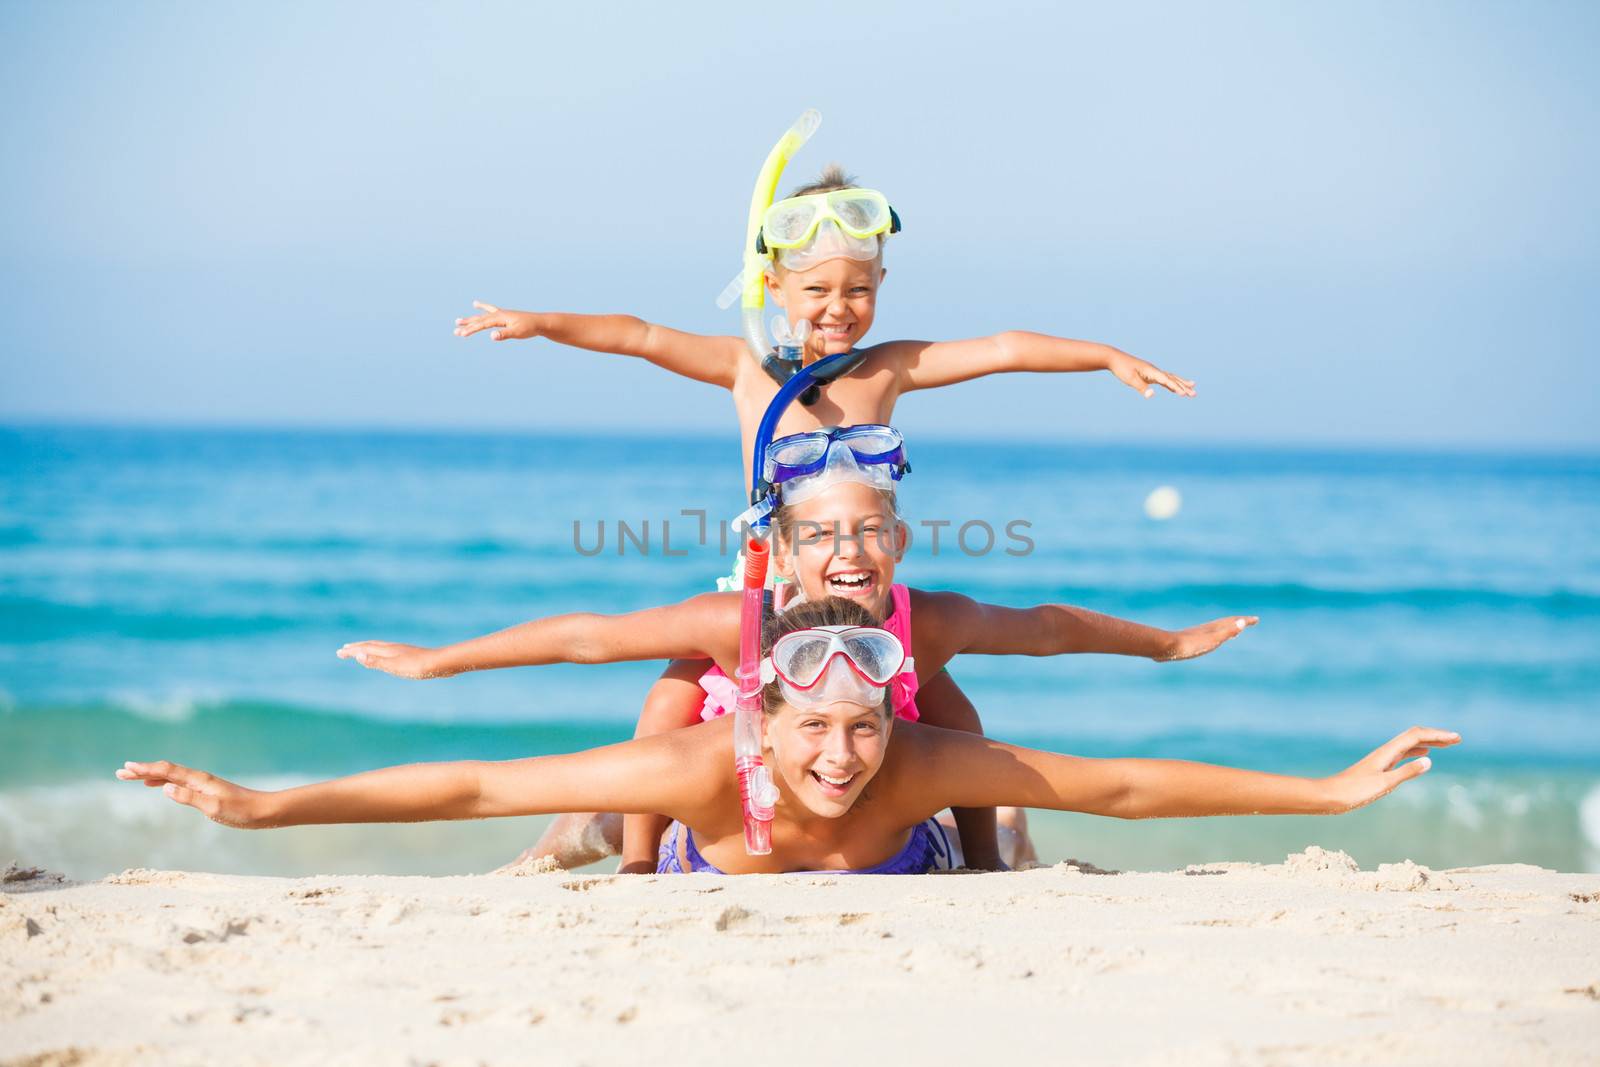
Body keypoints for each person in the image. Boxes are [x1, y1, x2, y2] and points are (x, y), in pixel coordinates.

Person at [337, 442, 1258, 871]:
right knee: (660, 709)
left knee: (967, 728)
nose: (848, 550)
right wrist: (442, 660)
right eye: (821, 534)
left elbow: (1048, 625)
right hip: (729, 773)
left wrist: (1167, 645)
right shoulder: (731, 617)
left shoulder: (921, 620)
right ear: (781, 555)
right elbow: (588, 635)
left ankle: (993, 856)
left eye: (869, 532)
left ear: (899, 543)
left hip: (853, 774)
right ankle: (610, 851)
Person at [125, 597, 1456, 876]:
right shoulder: (708, 760)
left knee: (1022, 789)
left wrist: (1331, 793)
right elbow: (475, 776)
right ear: (759, 715)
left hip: (912, 858)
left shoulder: (921, 757)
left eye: (863, 724)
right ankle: (601, 846)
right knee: (578, 804)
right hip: (724, 844)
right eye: (812, 723)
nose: (839, 751)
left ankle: (1007, 857)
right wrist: (261, 805)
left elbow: (1125, 778)